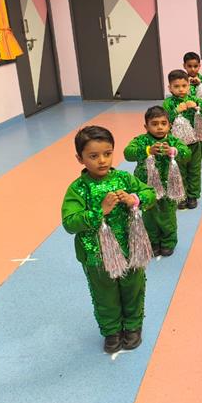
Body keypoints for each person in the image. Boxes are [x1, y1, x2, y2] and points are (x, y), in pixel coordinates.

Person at [61, 126, 156, 353]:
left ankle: (133, 326)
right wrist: (99, 211)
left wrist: (134, 199)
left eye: (107, 153)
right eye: (93, 156)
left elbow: (150, 194)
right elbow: (70, 222)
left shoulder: (124, 178)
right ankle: (112, 331)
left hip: (130, 248)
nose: (102, 160)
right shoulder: (78, 189)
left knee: (133, 288)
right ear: (80, 158)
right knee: (105, 295)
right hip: (96, 255)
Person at [124, 106, 191, 257]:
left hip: (169, 187)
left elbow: (187, 154)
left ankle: (168, 242)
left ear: (169, 125)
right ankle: (153, 242)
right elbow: (128, 153)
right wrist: (147, 151)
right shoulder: (141, 141)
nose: (159, 127)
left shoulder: (173, 141)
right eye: (154, 124)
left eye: (163, 123)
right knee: (149, 215)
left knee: (168, 215)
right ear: (146, 126)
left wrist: (173, 151)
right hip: (147, 187)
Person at [162, 69, 202, 210]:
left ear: (188, 86)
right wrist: (175, 111)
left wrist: (197, 106)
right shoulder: (168, 103)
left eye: (184, 86)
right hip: (176, 145)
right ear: (170, 88)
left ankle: (193, 196)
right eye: (176, 86)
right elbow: (163, 120)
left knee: (194, 170)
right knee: (179, 171)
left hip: (194, 143)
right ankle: (182, 195)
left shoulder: (193, 99)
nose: (181, 89)